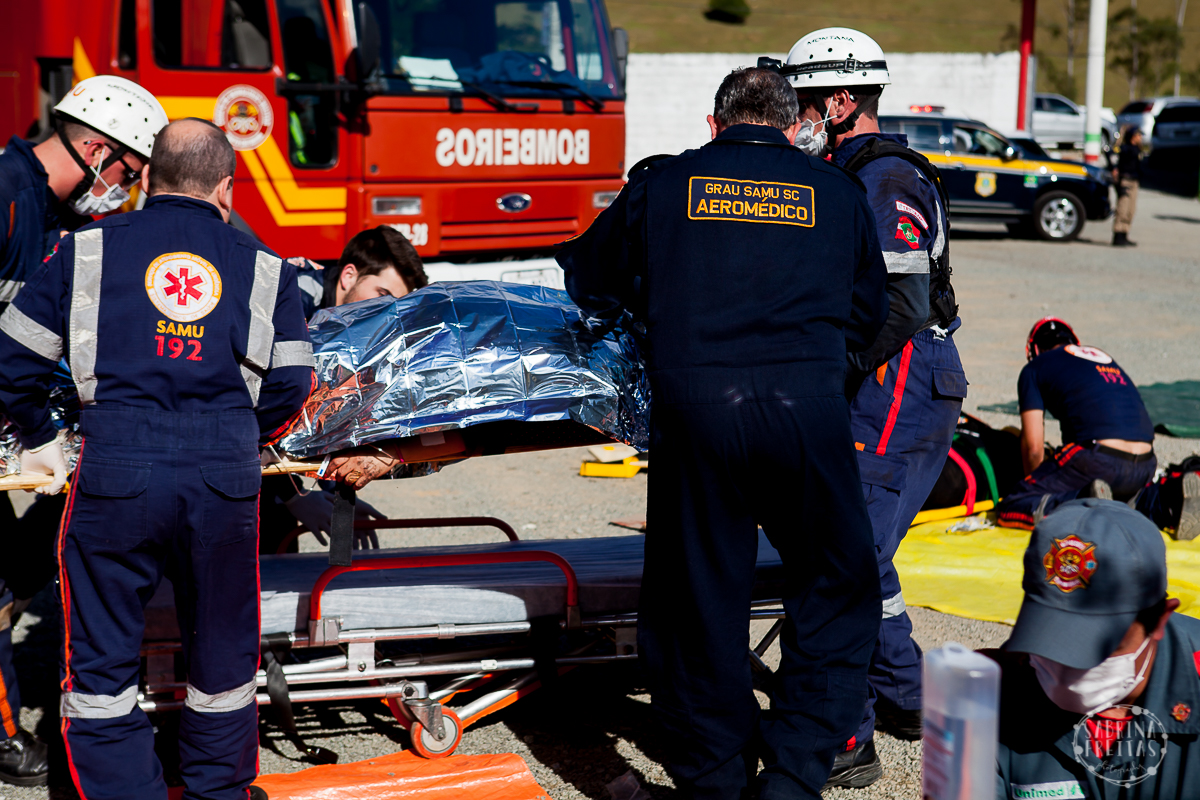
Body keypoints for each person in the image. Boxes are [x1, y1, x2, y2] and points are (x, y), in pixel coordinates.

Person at [557, 66, 889, 799]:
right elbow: (870, 315)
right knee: (837, 588)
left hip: (699, 414)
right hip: (808, 412)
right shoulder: (837, 191)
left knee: (697, 601)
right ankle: (797, 773)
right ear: (790, 123)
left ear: (714, 125)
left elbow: (589, 278)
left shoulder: (666, 183)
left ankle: (715, 781)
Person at [0, 118, 312, 800]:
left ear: (149, 177)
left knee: (100, 658)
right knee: (223, 650)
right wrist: (237, 433)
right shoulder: (265, 267)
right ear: (227, 187)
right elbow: (293, 382)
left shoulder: (84, 249)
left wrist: (42, 435)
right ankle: (215, 792)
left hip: (115, 468)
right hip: (222, 474)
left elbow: (13, 357)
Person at [778, 27, 966, 785]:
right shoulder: (851, 170)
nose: (795, 119)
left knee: (840, 562)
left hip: (897, 380)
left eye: (802, 104)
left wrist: (835, 366)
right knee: (869, 560)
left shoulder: (882, 179)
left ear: (841, 100)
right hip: (902, 376)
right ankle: (910, 695)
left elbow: (903, 301)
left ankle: (844, 737)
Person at [0, 74, 167, 786]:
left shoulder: (46, 205)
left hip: (14, 410)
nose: (127, 187)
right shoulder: (7, 196)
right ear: (97, 149)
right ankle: (4, 735)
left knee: (31, 550)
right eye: (129, 171)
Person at [985, 499, 1200, 797]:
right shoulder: (990, 693)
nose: (1065, 663)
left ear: (1159, 621)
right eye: (1050, 633)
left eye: (1096, 644)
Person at [262, 226, 429, 553]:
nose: (387, 312)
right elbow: (258, 404)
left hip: (269, 467)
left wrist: (337, 495)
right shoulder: (294, 296)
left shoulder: (362, 320)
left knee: (280, 552)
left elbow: (332, 414)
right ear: (349, 276)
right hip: (224, 461)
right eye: (383, 295)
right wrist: (295, 496)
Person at [995, 318, 1155, 530]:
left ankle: (1084, 501)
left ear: (1033, 349)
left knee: (1012, 506)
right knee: (1129, 497)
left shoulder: (1034, 368)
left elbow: (1033, 449)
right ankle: (1166, 502)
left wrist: (1036, 486)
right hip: (1146, 464)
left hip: (1097, 458)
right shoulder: (1102, 358)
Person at [1112, 126, 1142, 247]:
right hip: (1125, 180)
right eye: (1138, 135)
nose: (1140, 138)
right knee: (1122, 209)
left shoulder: (1138, 150)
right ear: (1132, 136)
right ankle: (1118, 235)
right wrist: (1121, 134)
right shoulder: (1124, 149)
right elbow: (1114, 152)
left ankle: (1125, 233)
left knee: (1131, 210)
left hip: (1134, 181)